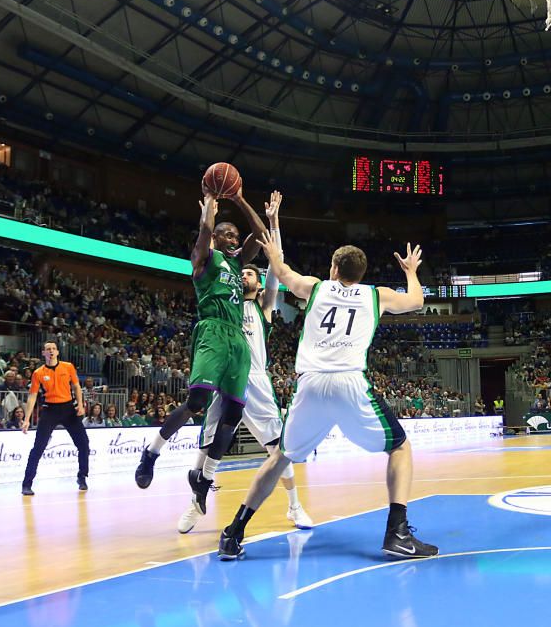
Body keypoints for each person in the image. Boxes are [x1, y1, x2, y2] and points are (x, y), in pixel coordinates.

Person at [216, 237, 436, 561]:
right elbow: (416, 300)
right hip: (349, 383)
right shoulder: (377, 295)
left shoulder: (316, 287)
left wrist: (274, 248)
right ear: (361, 274)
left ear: (333, 268)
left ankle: (233, 532)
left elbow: (281, 270)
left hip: (311, 385)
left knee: (279, 457)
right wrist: (411, 271)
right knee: (400, 448)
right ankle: (397, 533)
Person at [178, 191, 312, 534]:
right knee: (206, 446)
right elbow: (208, 254)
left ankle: (295, 506)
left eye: (251, 274)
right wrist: (207, 215)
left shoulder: (264, 307)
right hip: (225, 372)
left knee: (278, 447)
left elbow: (273, 262)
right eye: (244, 274)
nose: (247, 276)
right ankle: (196, 504)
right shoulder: (229, 299)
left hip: (254, 377)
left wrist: (273, 221)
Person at [134, 187, 268, 488]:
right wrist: (209, 206)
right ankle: (152, 452)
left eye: (236, 235)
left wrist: (239, 199)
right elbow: (205, 230)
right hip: (212, 330)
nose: (234, 240)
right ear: (217, 238)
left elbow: (260, 235)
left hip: (237, 339)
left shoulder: (236, 263)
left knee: (234, 410)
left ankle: (205, 475)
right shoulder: (204, 258)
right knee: (197, 401)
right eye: (228, 235)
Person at [21, 341, 89, 495]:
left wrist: (80, 405)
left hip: (69, 409)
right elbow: (32, 396)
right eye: (47, 349)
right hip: (50, 410)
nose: (51, 351)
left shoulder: (68, 367)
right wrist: (26, 419)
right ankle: (27, 484)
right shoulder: (38, 373)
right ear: (43, 353)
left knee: (83, 444)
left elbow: (77, 386)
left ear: (57, 352)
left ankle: (82, 476)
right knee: (38, 447)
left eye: (53, 349)